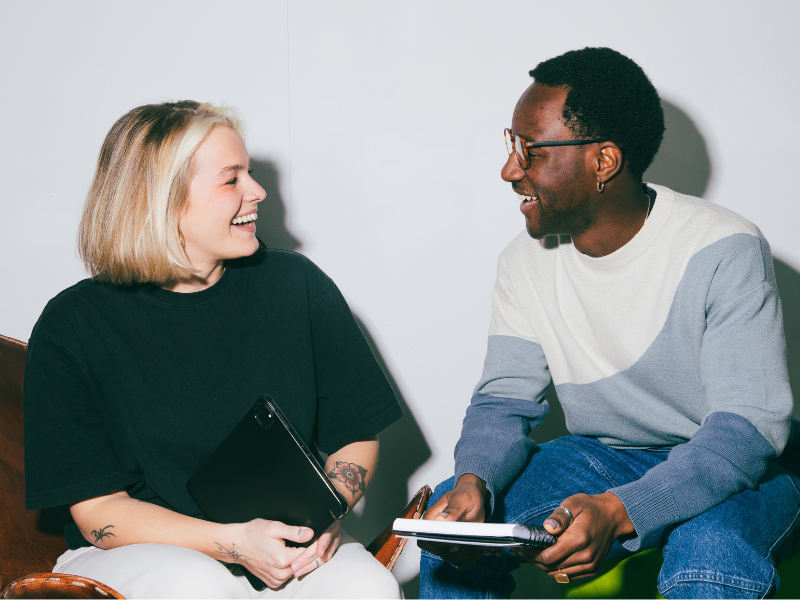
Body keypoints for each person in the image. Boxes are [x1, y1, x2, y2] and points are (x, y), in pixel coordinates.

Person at [419, 47, 799, 599]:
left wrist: (621, 513)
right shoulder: (523, 263)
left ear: (604, 161)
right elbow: (503, 401)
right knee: (453, 526)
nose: (509, 170)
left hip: (739, 467)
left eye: (531, 151)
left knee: (711, 549)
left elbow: (745, 432)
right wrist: (475, 477)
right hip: (604, 459)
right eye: (511, 144)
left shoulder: (722, 248)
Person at [24, 101, 404, 599]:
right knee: (198, 585)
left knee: (365, 588)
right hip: (130, 554)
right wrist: (230, 544)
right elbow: (98, 513)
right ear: (160, 200)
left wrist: (324, 513)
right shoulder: (72, 325)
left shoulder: (298, 286)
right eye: (232, 179)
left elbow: (355, 435)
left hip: (284, 539)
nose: (258, 191)